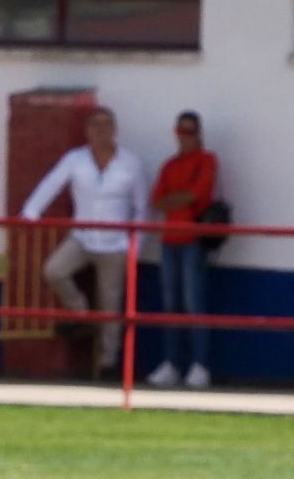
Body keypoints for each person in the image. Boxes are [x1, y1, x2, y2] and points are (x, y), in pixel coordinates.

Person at [19, 107, 149, 376]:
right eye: (94, 125)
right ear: (87, 131)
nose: (100, 130)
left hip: (116, 244)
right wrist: (30, 212)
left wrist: (136, 246)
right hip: (81, 237)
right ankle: (80, 313)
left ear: (115, 129)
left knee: (111, 303)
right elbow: (51, 183)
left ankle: (108, 362)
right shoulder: (75, 159)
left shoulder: (130, 162)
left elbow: (142, 207)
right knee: (54, 270)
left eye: (105, 124)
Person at [145, 111, 220, 391]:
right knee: (170, 306)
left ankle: (200, 366)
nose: (184, 137)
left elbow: (196, 194)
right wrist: (179, 198)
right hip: (169, 241)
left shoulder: (207, 160)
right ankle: (172, 364)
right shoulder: (169, 166)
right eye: (180, 132)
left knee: (193, 304)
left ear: (199, 134)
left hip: (194, 241)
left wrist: (174, 199)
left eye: (189, 132)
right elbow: (157, 202)